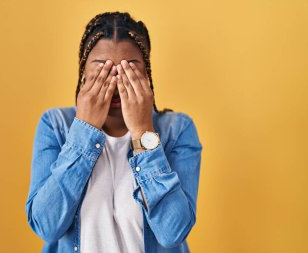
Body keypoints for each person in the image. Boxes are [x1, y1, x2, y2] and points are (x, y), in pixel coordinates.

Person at [25, 11, 203, 253]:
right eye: (103, 70)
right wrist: (84, 131)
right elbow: (46, 226)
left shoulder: (177, 129)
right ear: (83, 72)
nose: (116, 84)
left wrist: (143, 132)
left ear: (146, 74)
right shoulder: (56, 125)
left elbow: (173, 232)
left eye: (129, 70)